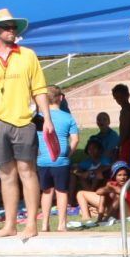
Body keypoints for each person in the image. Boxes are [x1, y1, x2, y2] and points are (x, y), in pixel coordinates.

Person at [0, 9, 50, 240]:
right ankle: (9, 224)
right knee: (6, 175)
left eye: (13, 27)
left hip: (24, 121)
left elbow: (39, 88)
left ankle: (31, 224)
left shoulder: (27, 55)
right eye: (7, 27)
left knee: (27, 171)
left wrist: (47, 118)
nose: (11, 31)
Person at [36, 85, 80, 231]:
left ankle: (44, 224)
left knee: (46, 191)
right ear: (61, 98)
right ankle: (62, 224)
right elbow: (75, 140)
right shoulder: (68, 117)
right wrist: (69, 153)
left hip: (43, 159)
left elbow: (34, 139)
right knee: (62, 192)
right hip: (61, 160)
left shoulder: (38, 118)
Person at [112, 84, 130, 167]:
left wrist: (118, 146)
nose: (119, 100)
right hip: (128, 140)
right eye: (116, 98)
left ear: (127, 95)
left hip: (128, 141)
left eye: (121, 97)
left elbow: (125, 131)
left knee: (125, 165)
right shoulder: (127, 109)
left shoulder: (127, 110)